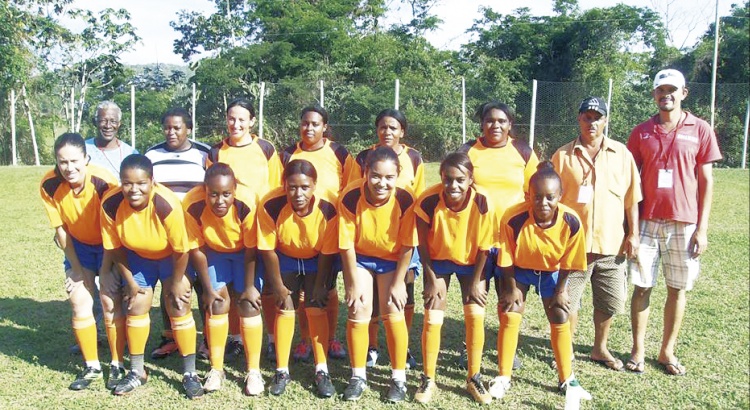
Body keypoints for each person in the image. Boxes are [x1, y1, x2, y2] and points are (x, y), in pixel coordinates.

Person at [625, 69, 722, 376]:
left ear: (684, 93)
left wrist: (702, 228)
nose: (665, 94)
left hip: (684, 222)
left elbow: (706, 181)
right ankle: (638, 350)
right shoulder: (641, 132)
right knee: (642, 287)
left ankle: (667, 350)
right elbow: (630, 181)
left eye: (672, 89)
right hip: (647, 220)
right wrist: (630, 228)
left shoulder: (701, 129)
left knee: (676, 289)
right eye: (660, 89)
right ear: (654, 94)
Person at [100, 154, 203, 399]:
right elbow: (114, 248)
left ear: (152, 182)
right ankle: (137, 371)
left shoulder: (166, 204)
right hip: (138, 258)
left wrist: (177, 283)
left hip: (171, 258)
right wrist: (131, 282)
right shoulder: (111, 203)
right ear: (120, 182)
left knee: (179, 304)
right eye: (127, 183)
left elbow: (181, 249)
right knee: (135, 304)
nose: (133, 189)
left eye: (141, 183)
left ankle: (190, 373)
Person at [489, 162, 592, 407]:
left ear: (560, 196)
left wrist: (560, 290)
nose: (543, 203)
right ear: (528, 196)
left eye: (550, 197)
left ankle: (567, 379)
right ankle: (504, 376)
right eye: (537, 197)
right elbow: (506, 257)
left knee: (559, 313)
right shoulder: (513, 217)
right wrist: (511, 288)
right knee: (509, 310)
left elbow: (570, 260)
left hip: (552, 272)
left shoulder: (572, 221)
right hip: (519, 270)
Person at [551, 97, 642, 371]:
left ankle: (599, 348)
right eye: (587, 117)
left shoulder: (622, 154)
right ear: (579, 119)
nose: (592, 122)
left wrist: (633, 234)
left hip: (611, 244)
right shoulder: (562, 156)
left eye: (597, 117)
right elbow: (552, 200)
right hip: (573, 246)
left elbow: (631, 198)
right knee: (569, 300)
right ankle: (565, 351)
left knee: (609, 300)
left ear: (606, 121)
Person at [458, 101, 538, 369]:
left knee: (510, 296)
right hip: (476, 238)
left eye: (501, 121)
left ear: (510, 125)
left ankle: (508, 348)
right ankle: (470, 348)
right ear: (481, 124)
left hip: (510, 241)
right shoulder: (469, 151)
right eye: (490, 120)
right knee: (474, 295)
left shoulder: (523, 152)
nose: (495, 125)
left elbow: (535, 192)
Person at [39, 133, 119, 390]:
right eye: (63, 162)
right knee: (79, 299)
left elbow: (112, 231)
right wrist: (76, 269)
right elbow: (61, 231)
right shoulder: (49, 184)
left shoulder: (104, 182)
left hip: (110, 245)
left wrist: (105, 271)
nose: (69, 168)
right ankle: (92, 366)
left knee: (109, 300)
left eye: (75, 161)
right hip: (80, 248)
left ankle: (117, 364)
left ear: (86, 158)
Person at [413, 152, 493, 404]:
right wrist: (430, 276)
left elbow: (485, 247)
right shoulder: (427, 200)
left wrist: (479, 279)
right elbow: (423, 245)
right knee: (433, 310)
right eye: (448, 179)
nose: (453, 186)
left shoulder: (482, 201)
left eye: (460, 179)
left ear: (470, 179)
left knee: (475, 311)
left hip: (472, 262)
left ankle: (474, 376)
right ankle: (428, 378)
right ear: (441, 177)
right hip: (438, 260)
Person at [338, 146, 417, 402]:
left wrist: (398, 283)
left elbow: (408, 244)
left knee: (392, 308)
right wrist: (351, 283)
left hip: (392, 259)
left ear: (398, 175)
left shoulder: (406, 199)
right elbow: (346, 243)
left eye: (388, 177)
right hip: (361, 258)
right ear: (365, 172)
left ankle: (398, 379)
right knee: (358, 307)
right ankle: (357, 376)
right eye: (375, 176)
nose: (381, 183)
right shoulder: (350, 196)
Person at [207, 97, 281, 362]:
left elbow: (275, 189)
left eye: (241, 119)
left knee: (267, 288)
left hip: (263, 230)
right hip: (229, 232)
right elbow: (212, 192)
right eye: (231, 118)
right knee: (234, 288)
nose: (235, 124)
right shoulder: (216, 152)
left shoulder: (265, 148)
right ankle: (236, 339)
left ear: (252, 121)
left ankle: (272, 339)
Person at [257, 159, 339, 398]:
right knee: (285, 306)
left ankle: (322, 369)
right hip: (286, 255)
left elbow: (326, 252)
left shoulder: (329, 206)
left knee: (315, 306)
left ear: (314, 185)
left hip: (317, 258)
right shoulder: (271, 204)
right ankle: (282, 370)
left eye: (304, 187)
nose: (298, 193)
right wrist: (278, 286)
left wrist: (322, 284)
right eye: (292, 187)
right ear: (284, 185)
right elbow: (268, 249)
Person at [350, 109, 425, 370]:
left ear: (402, 131)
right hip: (370, 236)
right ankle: (372, 346)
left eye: (393, 128)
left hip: (402, 236)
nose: (387, 132)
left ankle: (402, 349)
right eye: (383, 127)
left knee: (404, 294)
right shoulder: (363, 157)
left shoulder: (414, 157)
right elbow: (355, 192)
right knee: (370, 302)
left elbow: (418, 195)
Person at [279, 105, 353, 362]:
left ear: (325, 127)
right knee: (301, 293)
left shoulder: (339, 153)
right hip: (298, 229)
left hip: (329, 229)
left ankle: (330, 338)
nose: (309, 128)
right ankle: (304, 340)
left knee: (327, 289)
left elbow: (350, 188)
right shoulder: (288, 153)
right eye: (305, 123)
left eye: (315, 124)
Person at [182, 163, 263, 395]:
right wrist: (207, 289)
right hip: (213, 251)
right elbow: (195, 248)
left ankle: (253, 371)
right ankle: (216, 369)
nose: (220, 200)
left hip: (243, 253)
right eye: (213, 194)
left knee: (248, 303)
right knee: (217, 303)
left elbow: (251, 249)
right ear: (204, 190)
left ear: (235, 190)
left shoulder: (247, 203)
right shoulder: (191, 204)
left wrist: (248, 287)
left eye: (226, 194)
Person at [145, 107, 212, 361]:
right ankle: (170, 337)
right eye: (167, 127)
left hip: (198, 234)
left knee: (204, 287)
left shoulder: (204, 153)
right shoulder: (152, 154)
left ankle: (207, 338)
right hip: (166, 236)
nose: (171, 132)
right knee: (170, 286)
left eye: (177, 127)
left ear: (189, 129)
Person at [86, 101, 138, 181]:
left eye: (113, 121)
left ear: (119, 124)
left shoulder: (131, 153)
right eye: (103, 121)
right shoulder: (82, 149)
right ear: (95, 122)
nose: (108, 126)